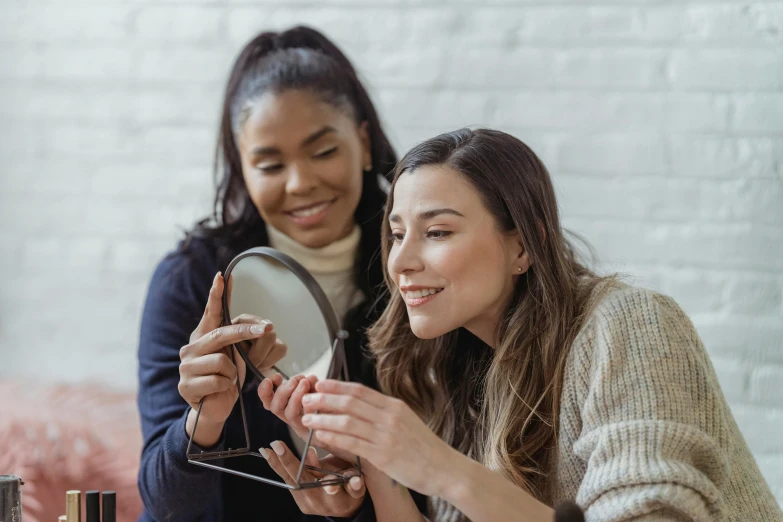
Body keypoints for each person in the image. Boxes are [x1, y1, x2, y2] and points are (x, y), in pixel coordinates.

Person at [275, 128, 783, 521]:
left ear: (522, 245)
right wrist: (380, 463)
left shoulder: (629, 325)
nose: (400, 261)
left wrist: (441, 468)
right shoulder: (449, 369)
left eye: (437, 231)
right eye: (397, 233)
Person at [136, 26, 398, 521]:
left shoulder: (412, 271)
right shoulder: (192, 281)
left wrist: (354, 503)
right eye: (270, 164)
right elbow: (164, 504)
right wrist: (203, 421)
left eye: (323, 152)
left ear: (363, 144)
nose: (301, 183)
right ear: (243, 169)